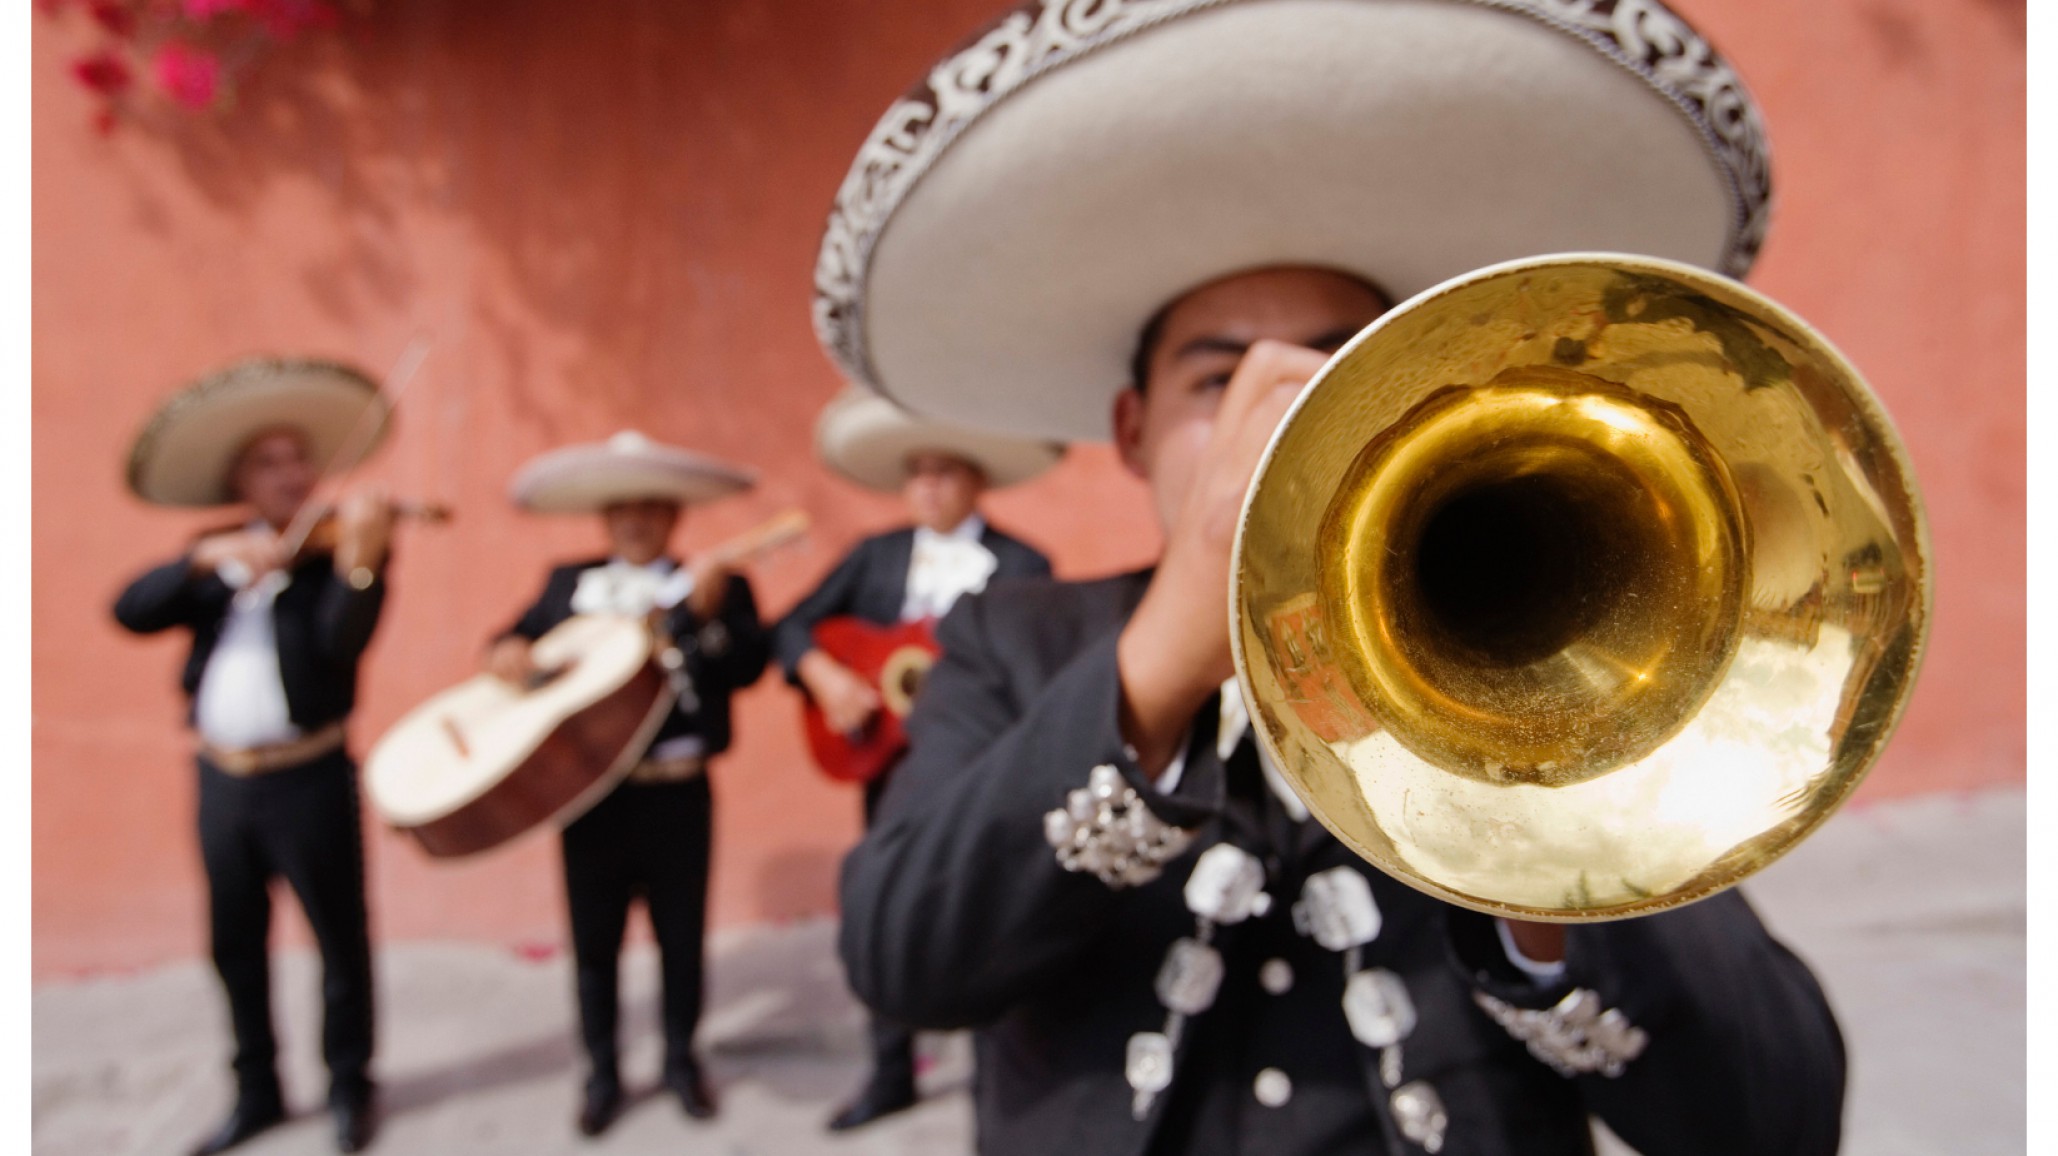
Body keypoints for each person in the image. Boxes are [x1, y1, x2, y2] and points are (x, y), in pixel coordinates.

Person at [811, 1, 1843, 1153]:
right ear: (1133, 426)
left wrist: (1549, 834)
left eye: (1342, 366)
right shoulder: (1012, 637)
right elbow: (900, 964)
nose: (1282, 412)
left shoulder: (1552, 662)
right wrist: (1163, 656)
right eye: (1218, 382)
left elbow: (1779, 1117)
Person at [112, 358, 398, 1155]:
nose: (290, 474)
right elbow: (129, 611)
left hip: (309, 774)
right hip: (223, 782)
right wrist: (206, 560)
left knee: (339, 939)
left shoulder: (341, 554)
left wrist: (364, 562)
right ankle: (257, 1092)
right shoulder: (213, 555)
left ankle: (349, 1085)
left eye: (298, 459)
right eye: (269, 463)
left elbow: (344, 643)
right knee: (234, 943)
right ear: (241, 478)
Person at [772, 387, 1059, 1130]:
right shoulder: (875, 557)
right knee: (887, 904)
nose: (927, 485)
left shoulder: (1024, 563)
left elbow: (1039, 670)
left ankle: (995, 1078)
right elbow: (794, 627)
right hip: (890, 768)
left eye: (944, 471)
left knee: (994, 907)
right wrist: (826, 674)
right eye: (916, 471)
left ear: (977, 480)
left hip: (985, 771)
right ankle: (889, 1070)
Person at [484, 430, 770, 1137]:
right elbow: (509, 641)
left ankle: (680, 1059)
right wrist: (506, 652)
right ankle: (602, 1071)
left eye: (651, 508)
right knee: (595, 942)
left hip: (678, 789)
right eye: (622, 510)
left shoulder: (718, 584)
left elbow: (746, 669)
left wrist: (704, 625)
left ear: (674, 516)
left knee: (681, 935)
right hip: (591, 795)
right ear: (604, 520)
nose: (636, 521)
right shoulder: (567, 585)